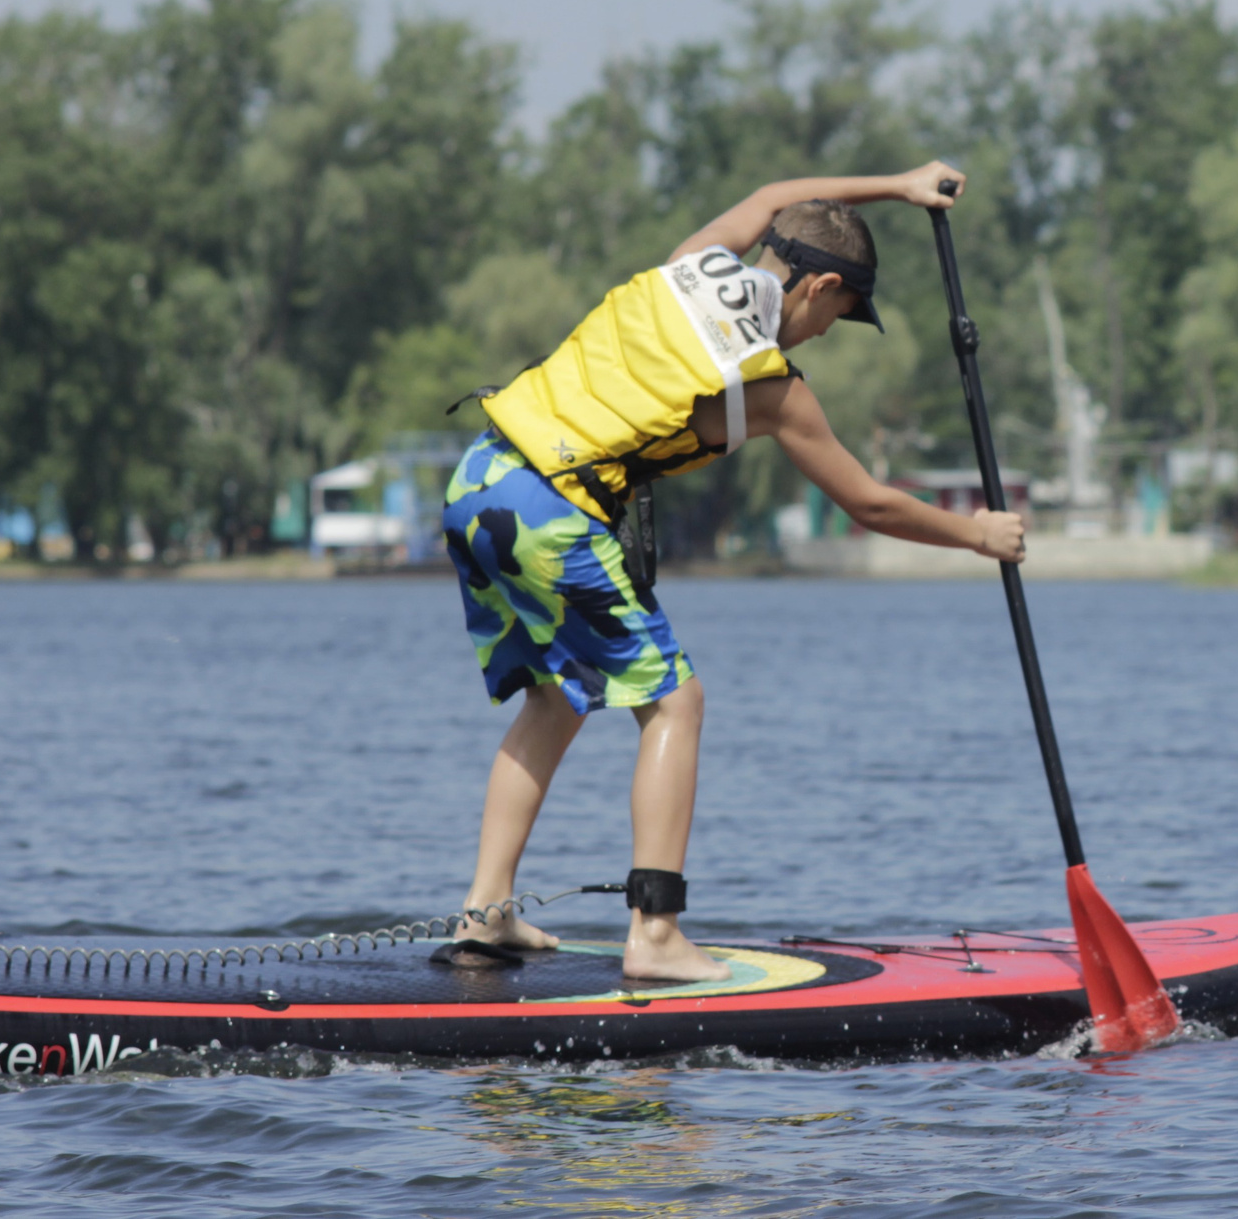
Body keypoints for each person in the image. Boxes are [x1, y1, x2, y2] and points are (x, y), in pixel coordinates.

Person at [439, 163, 1027, 981]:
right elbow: (870, 503)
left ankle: (486, 913)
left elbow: (772, 199)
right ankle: (656, 933)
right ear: (819, 286)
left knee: (556, 694)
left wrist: (898, 185)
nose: (827, 332)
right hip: (549, 512)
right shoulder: (767, 382)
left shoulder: (691, 261)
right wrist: (978, 534)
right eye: (842, 314)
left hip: (477, 478)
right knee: (675, 699)